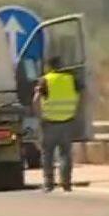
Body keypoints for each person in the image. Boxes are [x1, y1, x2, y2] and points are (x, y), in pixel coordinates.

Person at [35, 56, 81, 193]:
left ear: (49, 66)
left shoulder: (45, 80)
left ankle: (49, 184)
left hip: (49, 123)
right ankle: (66, 183)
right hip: (67, 121)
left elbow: (36, 99)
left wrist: (39, 117)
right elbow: (81, 95)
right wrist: (75, 111)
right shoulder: (71, 79)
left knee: (47, 154)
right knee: (65, 154)